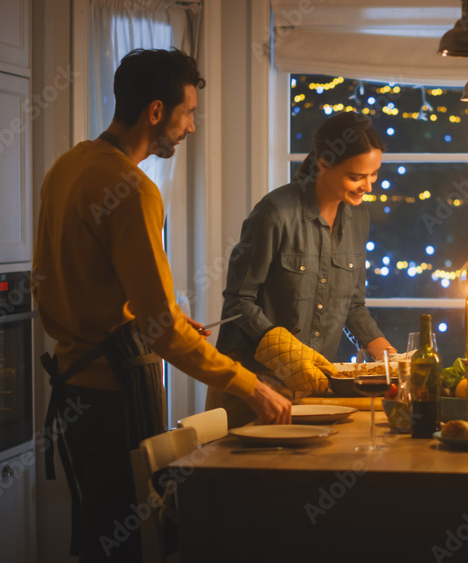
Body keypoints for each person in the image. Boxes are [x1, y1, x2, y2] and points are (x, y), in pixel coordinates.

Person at [32, 48, 291, 561]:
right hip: (115, 393)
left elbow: (67, 281)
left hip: (73, 388)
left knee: (96, 535)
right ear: (156, 112)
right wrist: (251, 386)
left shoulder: (68, 166)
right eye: (188, 112)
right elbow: (162, 330)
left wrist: (138, 320)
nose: (191, 127)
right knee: (133, 543)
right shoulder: (133, 190)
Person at [208, 111, 396, 426]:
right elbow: (238, 300)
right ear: (324, 163)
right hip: (256, 388)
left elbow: (352, 305)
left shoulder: (358, 217)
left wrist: (393, 360)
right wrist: (282, 349)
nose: (369, 187)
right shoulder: (274, 213)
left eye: (374, 174)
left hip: (314, 392)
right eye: (356, 176)